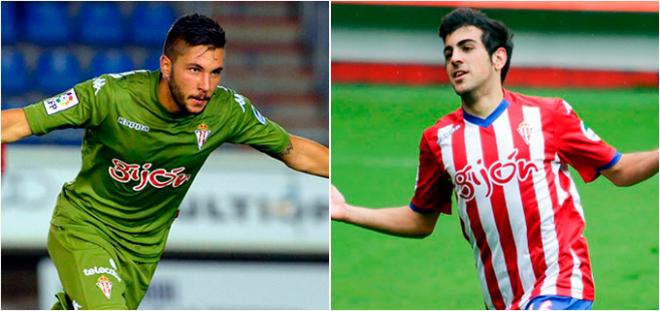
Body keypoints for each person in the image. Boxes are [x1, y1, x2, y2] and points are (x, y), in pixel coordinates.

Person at [331, 7, 658, 310]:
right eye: (449, 53)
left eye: (467, 48)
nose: (455, 59)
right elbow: (420, 220)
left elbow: (621, 170)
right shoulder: (439, 140)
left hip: (562, 285)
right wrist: (346, 212)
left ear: (498, 57)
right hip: (503, 300)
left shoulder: (549, 115)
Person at [2, 14, 328, 310]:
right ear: (167, 66)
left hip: (142, 251)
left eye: (215, 73)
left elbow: (294, 150)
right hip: (84, 228)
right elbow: (18, 122)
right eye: (195, 70)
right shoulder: (111, 96)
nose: (206, 86)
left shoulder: (227, 111)